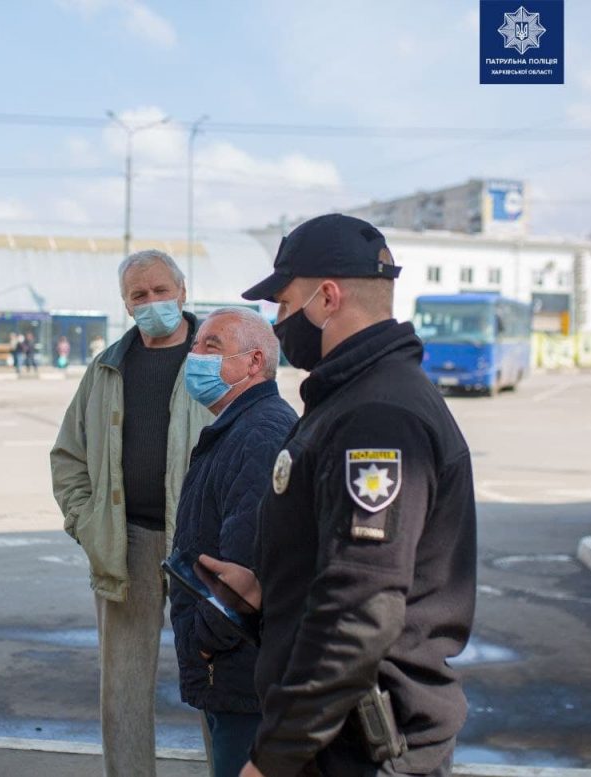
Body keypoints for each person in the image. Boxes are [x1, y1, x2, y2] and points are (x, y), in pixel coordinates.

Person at [200, 214, 477, 777]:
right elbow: (343, 562)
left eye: (283, 302)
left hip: (356, 751)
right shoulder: (348, 398)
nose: (278, 321)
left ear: (327, 297)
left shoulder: (376, 416)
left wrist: (275, 756)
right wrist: (269, 589)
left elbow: (360, 607)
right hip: (335, 740)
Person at [51, 249, 211, 777]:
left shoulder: (218, 357)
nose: (152, 304)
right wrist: (85, 522)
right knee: (123, 686)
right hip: (127, 542)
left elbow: (260, 440)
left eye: (161, 291)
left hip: (204, 548)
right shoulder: (105, 368)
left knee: (219, 678)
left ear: (183, 292)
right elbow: (68, 454)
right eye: (138, 296)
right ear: (125, 303)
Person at [169, 307, 298, 777]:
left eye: (212, 347)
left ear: (254, 362)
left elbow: (245, 565)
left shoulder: (260, 433)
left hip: (241, 669)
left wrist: (203, 644)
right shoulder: (240, 425)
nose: (194, 356)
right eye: (196, 345)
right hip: (233, 668)